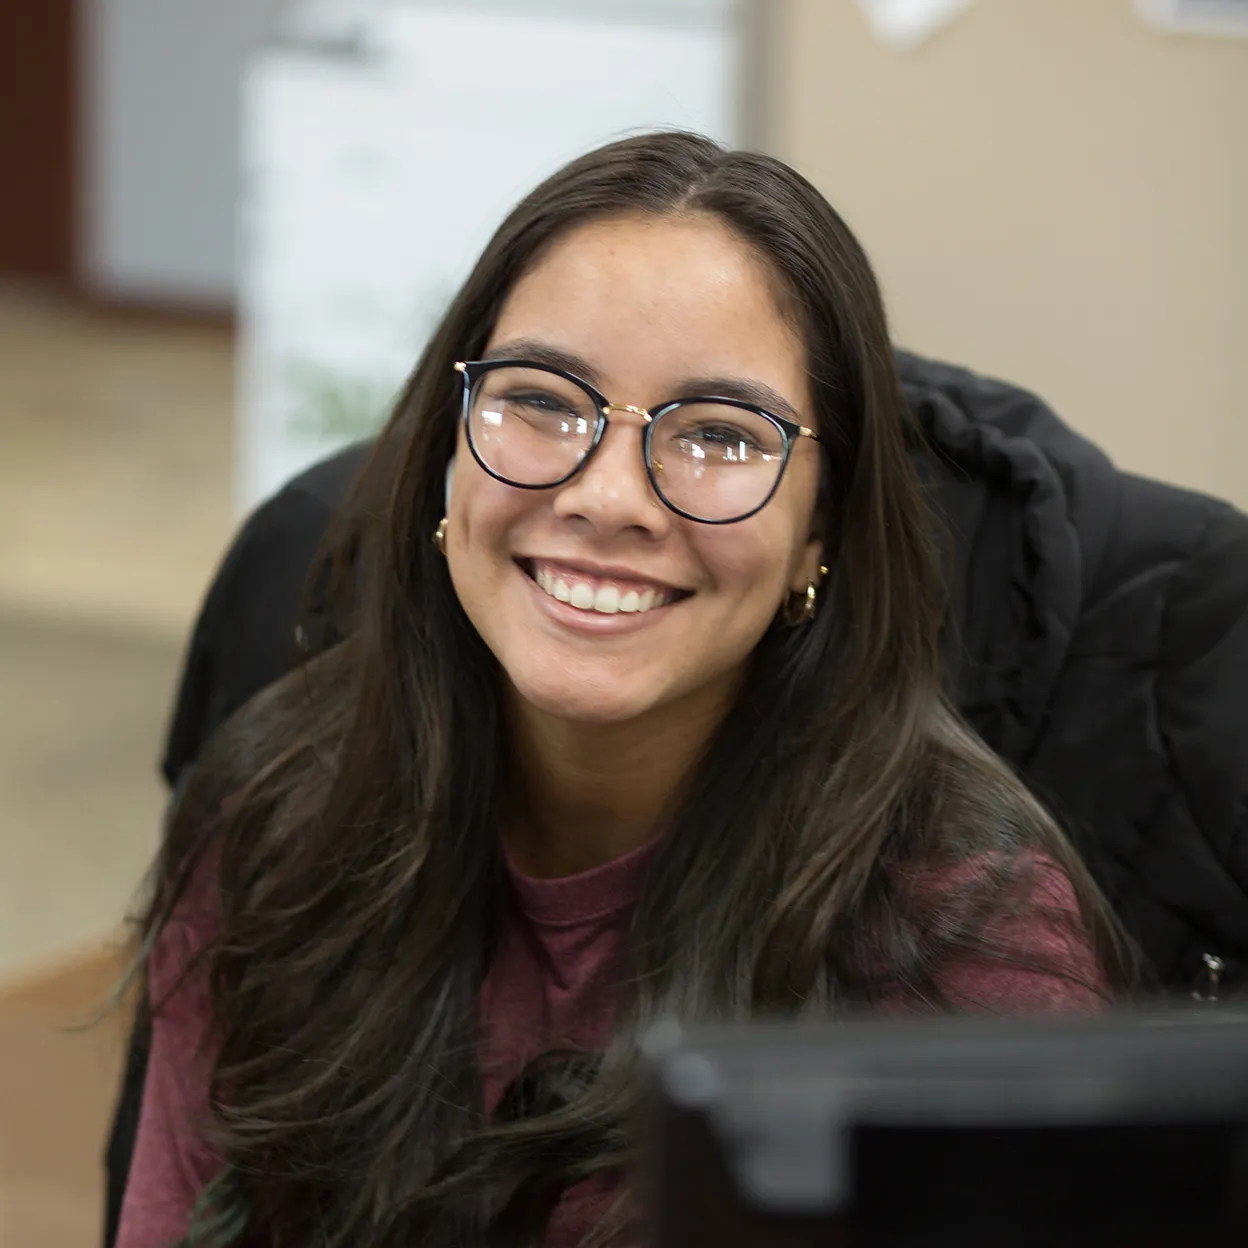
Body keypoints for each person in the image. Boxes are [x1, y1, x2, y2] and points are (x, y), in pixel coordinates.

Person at [116, 132, 1130, 1248]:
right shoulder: (276, 813)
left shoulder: (964, 940)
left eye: (720, 436)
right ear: (446, 453)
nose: (609, 497)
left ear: (817, 536)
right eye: (544, 401)